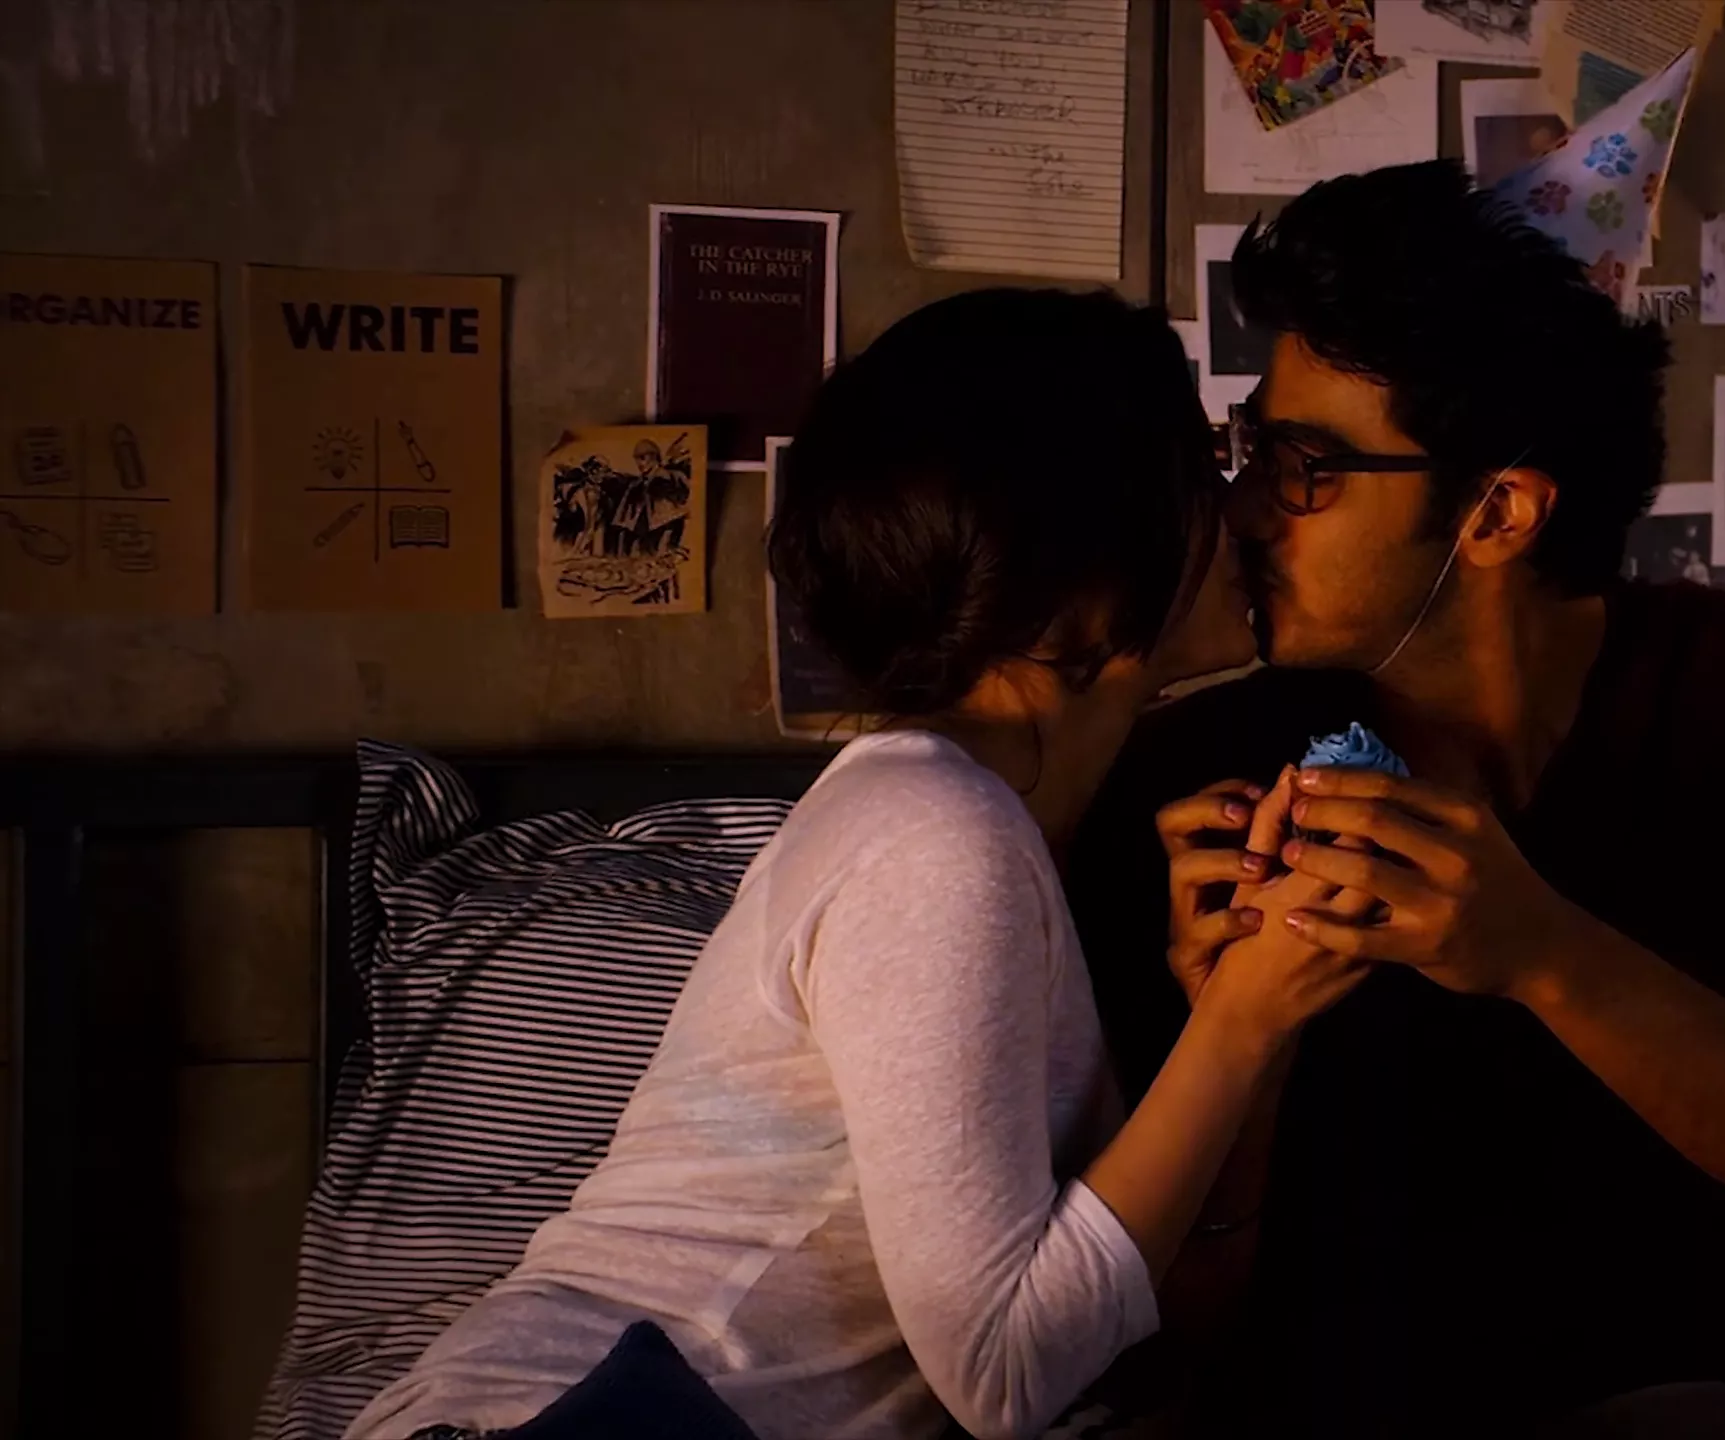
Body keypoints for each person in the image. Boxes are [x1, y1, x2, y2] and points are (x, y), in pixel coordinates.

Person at [1066, 161, 1725, 1440]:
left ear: (1497, 512)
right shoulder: (1200, 777)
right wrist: (1236, 1035)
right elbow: (1160, 1336)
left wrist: (1543, 955)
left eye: (1302, 466)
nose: (1241, 510)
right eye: (1250, 451)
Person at [348, 288, 1375, 1440]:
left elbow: (1128, 1319)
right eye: (1198, 473)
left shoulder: (993, 830)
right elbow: (1004, 1372)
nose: (1239, 513)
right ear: (1075, 581)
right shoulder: (933, 838)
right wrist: (1238, 1022)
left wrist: (1233, 1019)